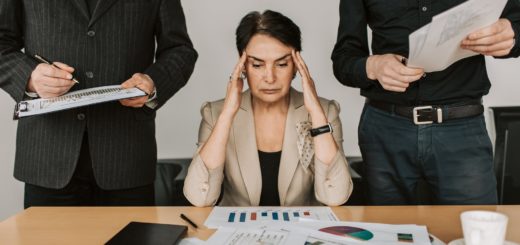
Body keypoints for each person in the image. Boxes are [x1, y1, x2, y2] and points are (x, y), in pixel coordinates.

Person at [0, 0, 197, 207]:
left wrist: (153, 82)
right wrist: (30, 77)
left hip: (126, 157)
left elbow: (180, 51)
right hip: (46, 155)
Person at [331, 0, 519, 205]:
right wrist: (373, 66)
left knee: (478, 233)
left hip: (462, 132)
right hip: (385, 131)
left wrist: (512, 34)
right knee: (387, 231)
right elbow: (343, 59)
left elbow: (515, 23)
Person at [184, 10, 352, 207]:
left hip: (300, 233)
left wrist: (315, 111)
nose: (270, 78)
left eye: (281, 64)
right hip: (238, 234)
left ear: (297, 65)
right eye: (257, 65)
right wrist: (227, 115)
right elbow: (199, 198)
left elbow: (336, 196)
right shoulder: (214, 113)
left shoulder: (325, 112)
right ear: (243, 65)